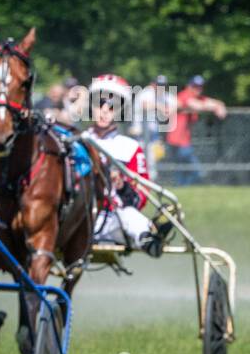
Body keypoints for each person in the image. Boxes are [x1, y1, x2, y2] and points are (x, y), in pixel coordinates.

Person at [84, 75, 162, 256]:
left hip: (113, 219)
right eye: (99, 103)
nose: (104, 110)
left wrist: (123, 186)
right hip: (81, 217)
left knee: (129, 214)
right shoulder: (78, 143)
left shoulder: (130, 147)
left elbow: (142, 192)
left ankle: (148, 238)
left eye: (111, 106)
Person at [168, 75, 225, 186]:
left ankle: (181, 188)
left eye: (200, 87)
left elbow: (214, 102)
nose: (198, 89)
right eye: (195, 86)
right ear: (189, 86)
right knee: (196, 171)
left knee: (182, 169)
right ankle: (183, 187)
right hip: (177, 141)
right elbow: (197, 106)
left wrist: (219, 106)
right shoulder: (184, 95)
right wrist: (215, 107)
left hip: (184, 140)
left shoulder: (198, 98)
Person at [132, 74, 174, 180]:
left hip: (153, 136)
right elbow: (145, 105)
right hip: (140, 135)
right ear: (153, 84)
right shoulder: (146, 93)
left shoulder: (164, 96)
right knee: (139, 163)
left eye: (163, 85)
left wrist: (170, 109)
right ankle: (141, 183)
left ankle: (150, 184)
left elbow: (177, 103)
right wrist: (160, 107)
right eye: (158, 85)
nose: (161, 87)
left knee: (152, 163)